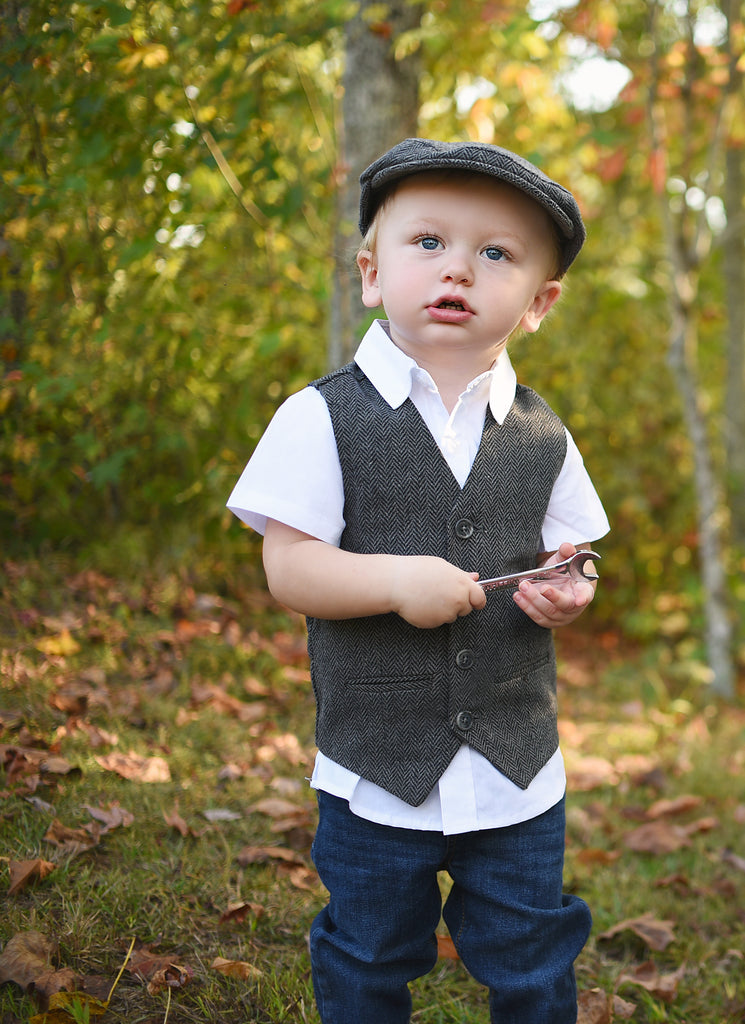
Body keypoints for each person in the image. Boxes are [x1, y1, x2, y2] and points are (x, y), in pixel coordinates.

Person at [227, 137, 610, 1024]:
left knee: (530, 955)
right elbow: (288, 567)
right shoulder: (320, 416)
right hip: (374, 770)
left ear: (539, 301)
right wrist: (394, 580)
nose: (459, 271)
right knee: (368, 954)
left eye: (495, 254)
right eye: (428, 243)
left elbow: (574, 554)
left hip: (517, 773)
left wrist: (569, 588)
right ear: (370, 272)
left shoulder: (543, 436)